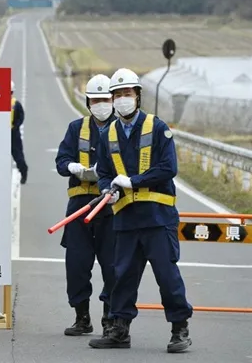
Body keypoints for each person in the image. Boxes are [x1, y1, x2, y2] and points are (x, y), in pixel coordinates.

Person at [88, 68, 193, 353]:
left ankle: (179, 329)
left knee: (167, 277)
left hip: (157, 219)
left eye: (127, 94)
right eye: (118, 95)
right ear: (112, 99)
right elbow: (105, 173)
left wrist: (134, 181)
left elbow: (168, 168)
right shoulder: (108, 132)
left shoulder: (158, 128)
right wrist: (107, 190)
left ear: (137, 96)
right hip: (125, 219)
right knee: (121, 276)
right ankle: (119, 330)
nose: (123, 99)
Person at [55, 74, 116, 337]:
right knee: (77, 264)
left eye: (106, 99)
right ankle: (82, 317)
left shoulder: (123, 129)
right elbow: (61, 160)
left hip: (112, 206)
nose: (101, 104)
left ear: (112, 100)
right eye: (96, 100)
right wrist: (72, 167)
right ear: (88, 102)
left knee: (113, 265)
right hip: (80, 205)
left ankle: (110, 318)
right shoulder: (76, 128)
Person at [11, 81, 28, 184]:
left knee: (18, 156)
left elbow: (21, 117)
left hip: (13, 134)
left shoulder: (16, 104)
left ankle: (23, 172)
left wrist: (15, 127)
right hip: (1, 134)